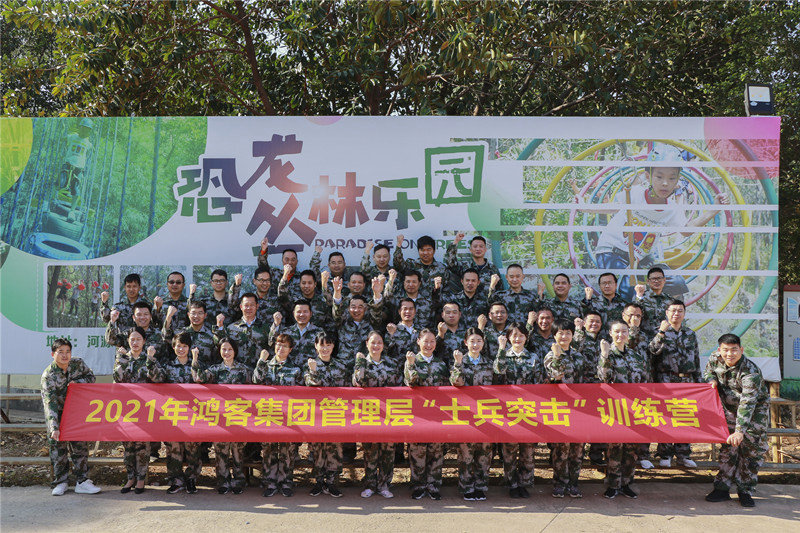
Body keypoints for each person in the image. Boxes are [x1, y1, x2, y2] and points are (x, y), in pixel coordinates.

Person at [586, 143, 728, 301]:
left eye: (671, 178)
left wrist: (714, 210)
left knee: (675, 283)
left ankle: (670, 316)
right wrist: (585, 208)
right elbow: (614, 207)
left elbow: (686, 230)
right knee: (627, 287)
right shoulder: (636, 194)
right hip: (612, 251)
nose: (665, 183)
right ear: (648, 177)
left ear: (677, 180)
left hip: (639, 259)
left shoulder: (672, 209)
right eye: (659, 177)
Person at [704, 333, 770, 508]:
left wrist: (740, 431)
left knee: (751, 452)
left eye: (734, 350)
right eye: (725, 350)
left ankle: (745, 490)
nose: (729, 354)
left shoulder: (750, 372)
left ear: (741, 349)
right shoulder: (715, 358)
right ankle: (722, 488)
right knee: (728, 449)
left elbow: (747, 403)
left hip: (754, 413)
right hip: (728, 410)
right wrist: (711, 380)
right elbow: (708, 371)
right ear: (719, 350)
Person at [41, 338, 101, 496]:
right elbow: (50, 403)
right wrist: (54, 427)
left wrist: (77, 382)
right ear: (53, 354)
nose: (65, 355)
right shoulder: (48, 376)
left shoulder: (78, 364)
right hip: (58, 414)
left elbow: (91, 378)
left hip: (76, 412)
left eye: (67, 351)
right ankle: (61, 482)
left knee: (80, 448)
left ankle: (82, 481)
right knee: (58, 449)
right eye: (60, 352)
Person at [192, 337, 251, 494]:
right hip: (220, 418)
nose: (227, 352)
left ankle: (238, 480)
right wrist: (195, 359)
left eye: (230, 349)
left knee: (238, 451)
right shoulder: (215, 369)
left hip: (239, 417)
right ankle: (223, 480)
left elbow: (255, 389)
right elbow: (199, 378)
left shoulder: (244, 370)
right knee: (221, 451)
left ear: (235, 351)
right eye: (224, 349)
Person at [146, 332, 202, 494]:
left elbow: (201, 379)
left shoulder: (196, 364)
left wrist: (195, 361)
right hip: (173, 415)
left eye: (184, 346)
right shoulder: (168, 366)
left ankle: (191, 479)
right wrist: (150, 360)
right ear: (173, 347)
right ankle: (176, 480)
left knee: (193, 448)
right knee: (173, 449)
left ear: (189, 348)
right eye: (178, 346)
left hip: (193, 415)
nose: (181, 349)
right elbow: (157, 378)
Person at [493, 323, 544, 498]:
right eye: (514, 335)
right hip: (508, 411)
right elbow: (498, 371)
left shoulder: (533, 357)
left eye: (521, 335)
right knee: (509, 451)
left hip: (528, 410)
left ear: (526, 338)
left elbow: (539, 382)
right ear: (508, 338)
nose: (517, 339)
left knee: (528, 451)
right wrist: (501, 349)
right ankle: (512, 484)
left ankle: (524, 483)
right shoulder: (503, 355)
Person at [597, 321, 647, 499]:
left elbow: (644, 379)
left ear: (628, 334)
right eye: (617, 332)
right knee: (615, 448)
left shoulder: (636, 356)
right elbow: (603, 378)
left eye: (624, 331)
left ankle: (626, 483)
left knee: (631, 448)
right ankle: (613, 484)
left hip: (634, 408)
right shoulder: (607, 354)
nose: (620, 335)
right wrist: (604, 355)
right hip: (615, 408)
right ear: (610, 333)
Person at [649, 299, 700, 468]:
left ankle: (683, 454)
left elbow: (696, 359)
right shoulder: (659, 331)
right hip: (666, 379)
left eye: (680, 311)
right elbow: (652, 351)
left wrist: (698, 382)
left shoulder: (690, 334)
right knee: (666, 417)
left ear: (684, 314)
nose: (676, 314)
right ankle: (665, 454)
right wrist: (661, 333)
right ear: (667, 313)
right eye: (673, 310)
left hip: (687, 380)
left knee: (684, 417)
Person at [543, 319, 589, 498]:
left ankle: (574, 483)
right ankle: (560, 483)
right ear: (554, 335)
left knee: (578, 449)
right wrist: (557, 356)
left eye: (568, 333)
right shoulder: (550, 355)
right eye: (560, 333)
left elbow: (585, 378)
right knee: (561, 449)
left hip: (579, 408)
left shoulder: (578, 356)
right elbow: (555, 375)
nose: (564, 336)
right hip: (560, 407)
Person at [252, 335, 302, 497]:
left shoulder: (295, 370)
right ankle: (270, 482)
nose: (281, 349)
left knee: (288, 450)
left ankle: (286, 482)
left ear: (290, 349)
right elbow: (256, 381)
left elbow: (302, 394)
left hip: (289, 417)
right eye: (278, 345)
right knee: (269, 449)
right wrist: (261, 361)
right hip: (268, 415)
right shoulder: (265, 365)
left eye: (285, 346)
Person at [353, 331, 401, 498]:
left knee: (388, 451)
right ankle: (370, 485)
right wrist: (360, 363)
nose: (376, 346)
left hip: (389, 414)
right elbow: (358, 382)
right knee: (370, 452)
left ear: (383, 345)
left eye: (379, 342)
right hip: (369, 414)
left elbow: (399, 386)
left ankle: (385, 485)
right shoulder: (361, 362)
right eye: (373, 342)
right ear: (367, 343)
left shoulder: (391, 364)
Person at [404, 329, 449, 500]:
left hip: (437, 414)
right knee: (417, 451)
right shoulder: (412, 361)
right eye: (425, 341)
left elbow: (448, 388)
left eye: (432, 341)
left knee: (436, 451)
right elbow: (411, 382)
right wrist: (410, 365)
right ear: (418, 342)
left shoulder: (441, 364)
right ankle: (418, 485)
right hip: (418, 415)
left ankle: (433, 485)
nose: (429, 345)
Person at [450, 328, 494, 501]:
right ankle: (467, 487)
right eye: (472, 341)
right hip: (465, 414)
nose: (475, 345)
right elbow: (456, 382)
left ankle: (481, 486)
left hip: (486, 414)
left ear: (483, 343)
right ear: (465, 343)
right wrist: (458, 364)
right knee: (466, 454)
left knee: (484, 453)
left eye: (479, 341)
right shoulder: (459, 362)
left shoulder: (489, 363)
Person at [305, 332, 348, 497]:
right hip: (316, 415)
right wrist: (314, 371)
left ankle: (331, 482)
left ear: (333, 346)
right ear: (316, 346)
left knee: (334, 449)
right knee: (317, 449)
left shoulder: (340, 366)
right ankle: (318, 481)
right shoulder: (310, 365)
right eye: (321, 345)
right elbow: (311, 384)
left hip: (336, 414)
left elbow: (347, 389)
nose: (325, 348)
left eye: (328, 345)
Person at [113, 326, 155, 494]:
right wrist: (122, 360)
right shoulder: (123, 358)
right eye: (132, 339)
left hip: (145, 410)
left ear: (144, 341)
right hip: (126, 410)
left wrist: (151, 360)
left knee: (142, 447)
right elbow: (117, 378)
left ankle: (141, 479)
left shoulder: (149, 358)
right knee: (128, 446)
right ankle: (130, 477)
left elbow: (159, 378)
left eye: (138, 339)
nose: (135, 342)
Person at [214, 292, 270, 371]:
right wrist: (219, 326)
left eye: (252, 305)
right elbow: (220, 346)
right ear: (241, 307)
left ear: (257, 306)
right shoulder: (231, 328)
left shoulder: (266, 328)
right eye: (246, 305)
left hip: (259, 371)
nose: (249, 308)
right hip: (237, 372)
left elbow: (271, 349)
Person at [269, 301, 321, 368]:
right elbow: (271, 343)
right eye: (299, 312)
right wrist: (276, 324)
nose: (302, 315)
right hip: (289, 371)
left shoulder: (319, 333)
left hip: (310, 371)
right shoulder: (286, 331)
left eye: (305, 312)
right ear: (293, 314)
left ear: (311, 314)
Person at [633, 267, 673, 338]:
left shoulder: (670, 300)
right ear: (648, 281)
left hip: (664, 339)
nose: (656, 281)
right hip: (644, 339)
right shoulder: (641, 297)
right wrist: (639, 296)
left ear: (664, 280)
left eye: (659, 278)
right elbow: (634, 314)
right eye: (653, 279)